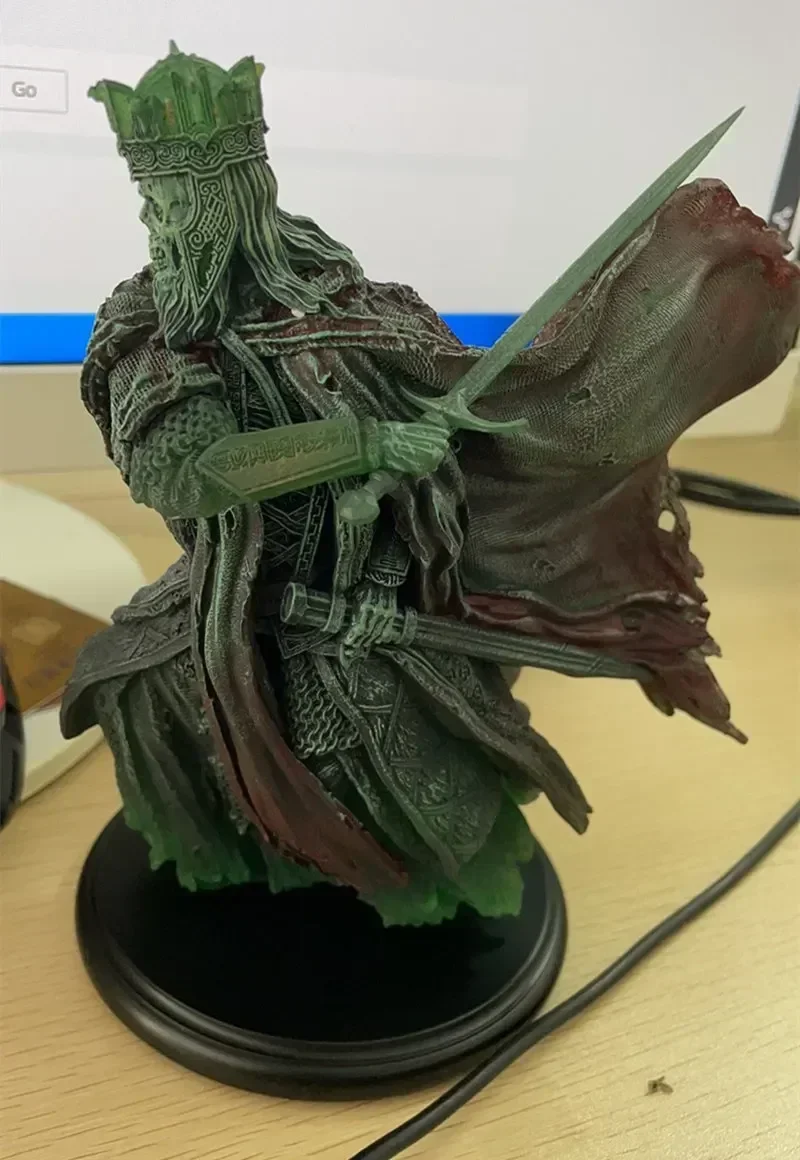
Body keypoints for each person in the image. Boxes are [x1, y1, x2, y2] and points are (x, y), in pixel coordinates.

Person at [63, 45, 800, 925]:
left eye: (178, 202)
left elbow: (437, 413)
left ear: (235, 201)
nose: (159, 223)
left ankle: (422, 900)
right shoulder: (148, 332)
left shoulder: (342, 300)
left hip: (375, 597)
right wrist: (365, 442)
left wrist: (402, 500)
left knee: (435, 804)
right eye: (151, 202)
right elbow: (190, 473)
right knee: (136, 689)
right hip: (242, 599)